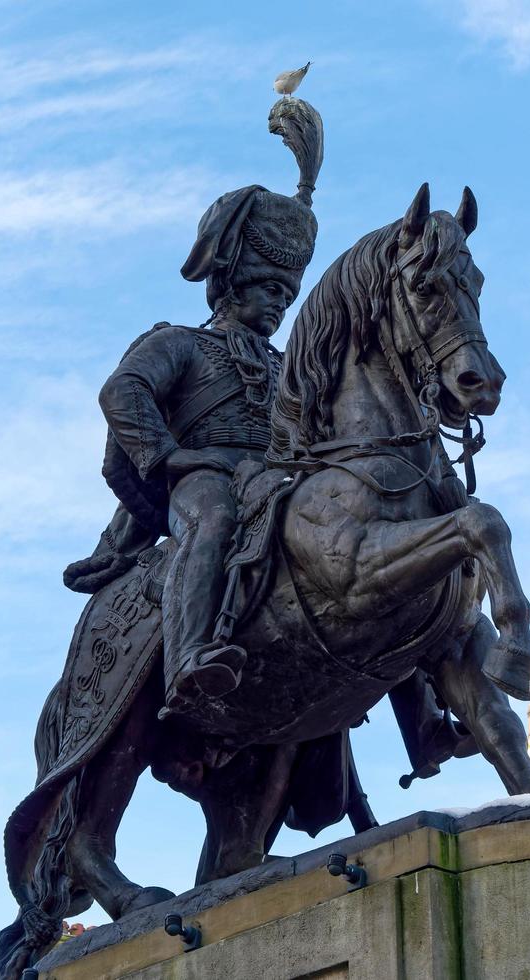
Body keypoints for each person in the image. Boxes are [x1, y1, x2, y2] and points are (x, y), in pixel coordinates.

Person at [98, 181, 319, 712]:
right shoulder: (180, 342)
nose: (280, 306)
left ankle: (422, 706)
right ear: (235, 287)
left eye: (287, 298)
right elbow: (122, 390)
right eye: (271, 291)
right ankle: (190, 658)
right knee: (213, 520)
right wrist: (171, 456)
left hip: (277, 480)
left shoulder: (289, 365)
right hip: (205, 478)